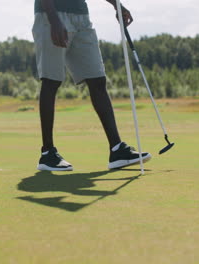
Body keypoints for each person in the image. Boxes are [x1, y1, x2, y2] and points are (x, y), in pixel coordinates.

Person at [33, 0, 151, 171]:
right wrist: (53, 18)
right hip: (51, 14)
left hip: (82, 17)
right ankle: (47, 153)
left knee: (97, 80)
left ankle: (117, 150)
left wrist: (116, 4)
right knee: (51, 80)